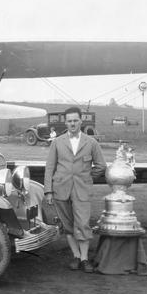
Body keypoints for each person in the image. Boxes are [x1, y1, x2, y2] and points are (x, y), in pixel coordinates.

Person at [44, 107, 106, 273]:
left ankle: (85, 259)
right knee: (68, 225)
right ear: (66, 122)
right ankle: (76, 256)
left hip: (82, 190)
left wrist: (86, 177)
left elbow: (101, 166)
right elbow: (50, 167)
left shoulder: (91, 142)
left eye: (75, 120)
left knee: (83, 224)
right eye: (69, 121)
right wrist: (48, 191)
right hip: (60, 189)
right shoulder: (57, 142)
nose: (72, 123)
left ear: (81, 121)